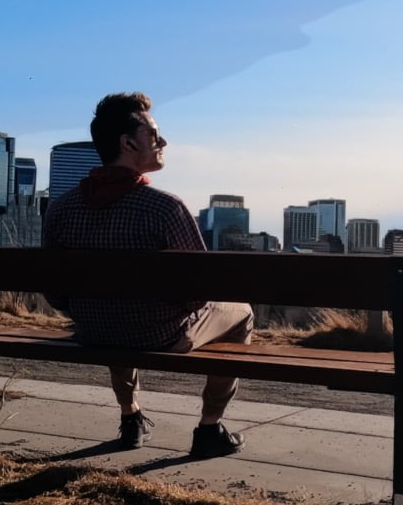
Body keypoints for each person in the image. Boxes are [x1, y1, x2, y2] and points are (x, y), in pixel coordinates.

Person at [42, 91, 254, 458]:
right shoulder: (164, 208)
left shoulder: (61, 208)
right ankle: (209, 427)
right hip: (160, 334)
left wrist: (85, 309)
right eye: (154, 135)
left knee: (111, 307)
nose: (163, 141)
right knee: (243, 312)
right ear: (127, 143)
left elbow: (53, 289)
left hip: (93, 330)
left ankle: (131, 417)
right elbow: (200, 288)